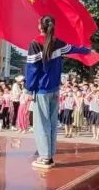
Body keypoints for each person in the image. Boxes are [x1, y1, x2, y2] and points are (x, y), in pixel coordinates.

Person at [25, 15, 92, 168]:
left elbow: (32, 70)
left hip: (41, 90)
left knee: (41, 124)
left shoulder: (35, 43)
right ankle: (50, 154)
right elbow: (75, 49)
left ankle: (45, 157)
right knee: (52, 122)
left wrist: (29, 89)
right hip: (55, 89)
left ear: (40, 26)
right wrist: (87, 50)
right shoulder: (58, 43)